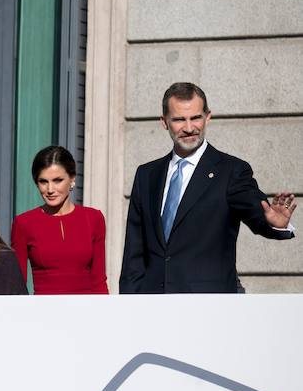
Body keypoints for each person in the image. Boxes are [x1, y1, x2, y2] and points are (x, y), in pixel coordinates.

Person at [119, 82, 295, 293]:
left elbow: (255, 211)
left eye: (195, 118)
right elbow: (134, 253)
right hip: (153, 304)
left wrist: (273, 223)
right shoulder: (147, 175)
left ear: (207, 117)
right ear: (164, 122)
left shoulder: (231, 171)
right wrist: (128, 304)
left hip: (209, 307)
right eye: (178, 120)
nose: (189, 128)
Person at [11, 146, 109, 294]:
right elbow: (17, 285)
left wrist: (105, 313)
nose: (50, 189)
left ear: (72, 179)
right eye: (43, 181)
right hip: (43, 313)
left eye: (58, 180)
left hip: (88, 312)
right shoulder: (24, 223)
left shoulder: (94, 218)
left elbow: (99, 280)